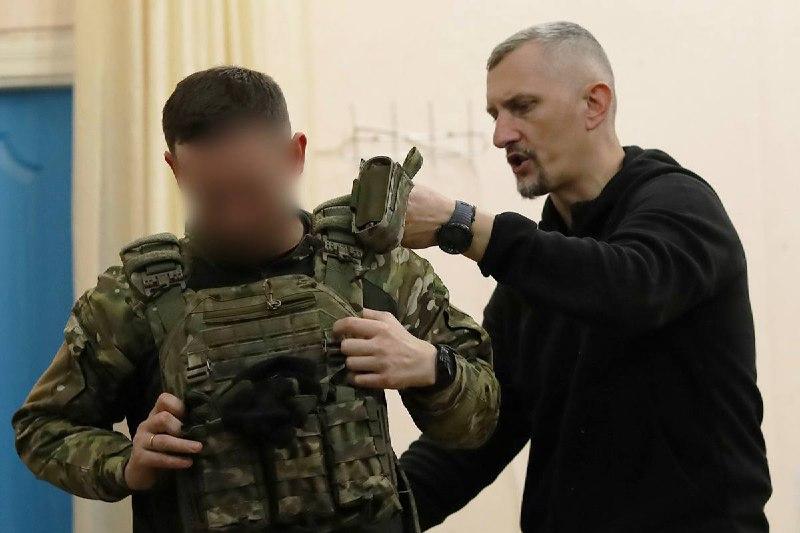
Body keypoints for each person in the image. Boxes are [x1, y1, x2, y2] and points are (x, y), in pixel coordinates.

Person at [12, 66, 499, 533]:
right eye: (213, 197)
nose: (236, 218)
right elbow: (41, 428)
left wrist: (432, 368)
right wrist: (124, 464)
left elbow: (482, 418)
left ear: (294, 155)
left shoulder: (376, 270)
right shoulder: (132, 299)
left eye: (251, 191)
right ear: (175, 168)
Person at [400, 21, 771, 532]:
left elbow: (627, 289)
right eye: (495, 114)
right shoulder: (535, 274)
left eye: (522, 107)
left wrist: (461, 225)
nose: (501, 135)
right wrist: (361, 514)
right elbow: (479, 435)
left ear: (594, 104)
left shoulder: (681, 206)